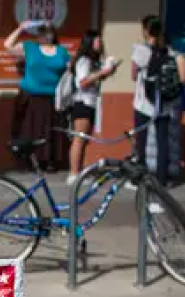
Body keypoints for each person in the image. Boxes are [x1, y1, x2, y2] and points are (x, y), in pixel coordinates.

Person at [4, 21, 70, 172]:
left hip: (53, 99)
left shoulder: (61, 51)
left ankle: (50, 161)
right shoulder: (30, 47)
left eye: (49, 32)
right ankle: (29, 162)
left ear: (54, 34)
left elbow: (69, 72)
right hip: (30, 97)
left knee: (51, 131)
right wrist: (21, 28)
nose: (45, 35)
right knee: (30, 131)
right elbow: (7, 45)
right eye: (42, 32)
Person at [132, 16, 185, 187]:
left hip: (143, 104)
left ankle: (139, 178)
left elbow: (133, 76)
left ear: (146, 31)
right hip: (164, 105)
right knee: (163, 142)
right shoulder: (174, 54)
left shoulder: (140, 51)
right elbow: (183, 81)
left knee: (141, 141)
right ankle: (162, 181)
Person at [67, 30, 119, 186]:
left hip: (90, 102)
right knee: (79, 138)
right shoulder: (84, 60)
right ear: (90, 42)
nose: (100, 44)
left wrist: (108, 72)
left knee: (84, 139)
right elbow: (82, 82)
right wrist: (103, 72)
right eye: (97, 41)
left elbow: (93, 80)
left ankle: (79, 171)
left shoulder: (92, 60)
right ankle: (73, 173)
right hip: (82, 102)